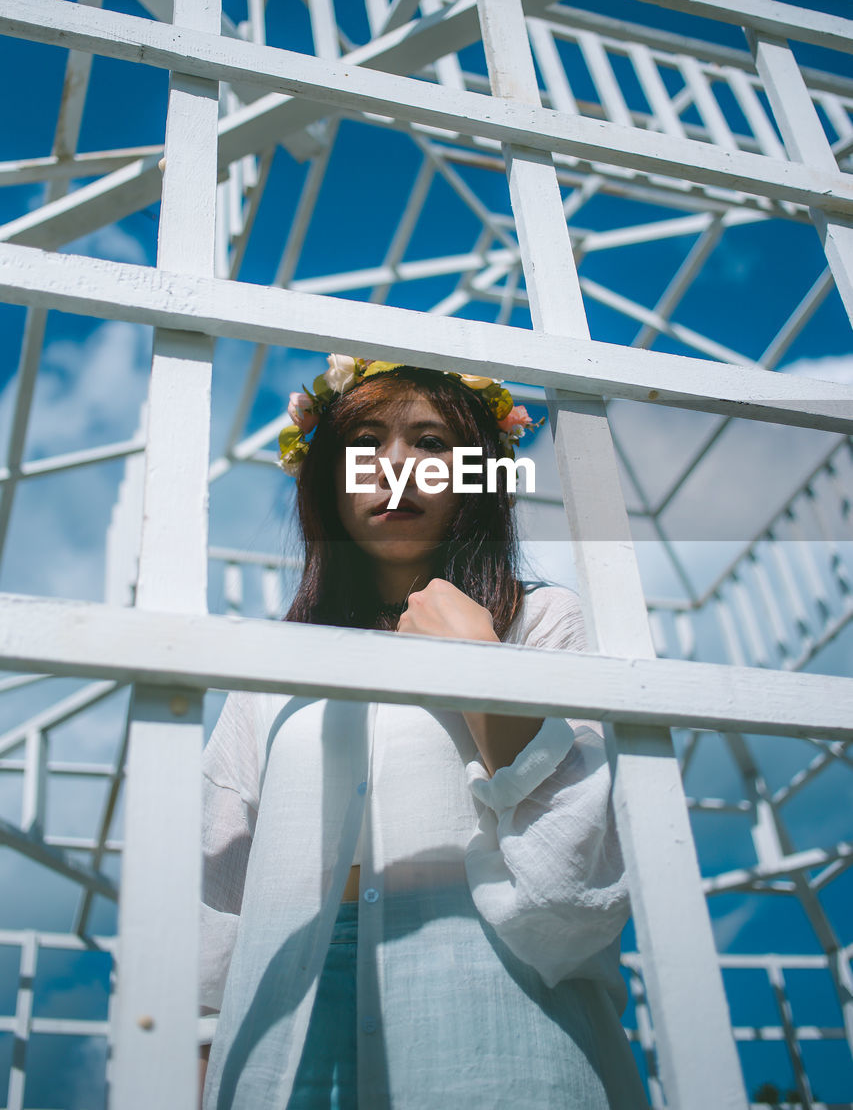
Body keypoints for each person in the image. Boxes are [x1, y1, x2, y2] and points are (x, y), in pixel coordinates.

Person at [197, 356, 648, 1109]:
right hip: (281, 1000)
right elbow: (214, 909)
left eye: (432, 442)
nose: (397, 466)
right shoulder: (270, 669)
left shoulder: (541, 621)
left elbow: (575, 884)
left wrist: (478, 666)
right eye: (364, 441)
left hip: (492, 987)